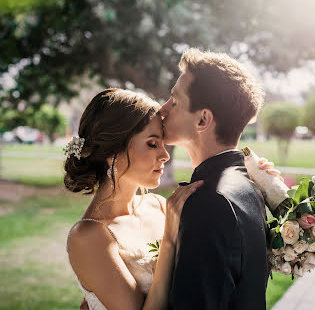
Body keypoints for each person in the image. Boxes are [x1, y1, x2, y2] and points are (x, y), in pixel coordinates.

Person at [65, 87, 278, 309]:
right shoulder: (88, 236)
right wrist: (168, 240)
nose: (165, 155)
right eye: (152, 143)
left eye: (163, 143)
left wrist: (250, 181)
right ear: (112, 152)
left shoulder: (157, 205)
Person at [159, 48, 270, 309]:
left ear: (202, 120)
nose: (162, 110)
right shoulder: (249, 186)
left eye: (174, 102)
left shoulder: (209, 203)